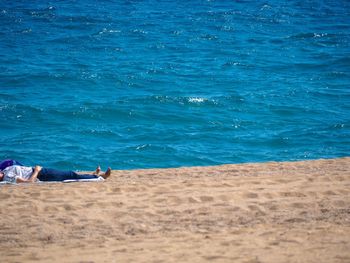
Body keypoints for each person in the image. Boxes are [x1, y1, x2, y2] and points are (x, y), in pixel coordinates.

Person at [0, 164, 111, 183]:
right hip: (42, 174)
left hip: (42, 171)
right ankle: (101, 176)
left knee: (70, 173)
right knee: (71, 175)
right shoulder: (8, 177)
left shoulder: (5, 170)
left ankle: (93, 174)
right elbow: (29, 183)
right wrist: (37, 170)